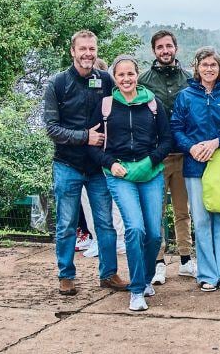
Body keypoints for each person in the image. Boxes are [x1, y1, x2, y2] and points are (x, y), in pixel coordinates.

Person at [43, 29, 127, 296]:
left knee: (105, 223)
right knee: (67, 223)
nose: (88, 54)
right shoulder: (57, 83)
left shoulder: (105, 80)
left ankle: (109, 274)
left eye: (92, 49)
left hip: (98, 166)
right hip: (67, 164)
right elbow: (51, 128)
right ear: (73, 51)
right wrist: (85, 137)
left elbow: (121, 110)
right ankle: (66, 275)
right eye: (83, 49)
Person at [87, 55, 173, 311]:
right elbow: (93, 144)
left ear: (138, 75)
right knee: (135, 229)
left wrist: (152, 160)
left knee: (155, 234)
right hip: (120, 173)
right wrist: (111, 163)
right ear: (115, 77)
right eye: (121, 75)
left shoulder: (153, 104)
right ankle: (137, 290)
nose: (126, 79)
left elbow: (167, 140)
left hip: (151, 172)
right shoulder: (105, 106)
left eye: (130, 74)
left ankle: (146, 278)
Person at [170, 46, 220, 292]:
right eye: (204, 65)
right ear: (197, 68)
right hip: (194, 166)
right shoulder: (185, 97)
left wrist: (217, 142)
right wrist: (191, 148)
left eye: (213, 65)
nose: (209, 69)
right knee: (202, 220)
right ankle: (206, 274)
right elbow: (176, 129)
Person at [139, 30, 197, 283]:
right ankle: (159, 261)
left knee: (183, 211)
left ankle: (186, 258)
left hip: (184, 155)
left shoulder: (189, 79)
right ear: (154, 51)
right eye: (160, 47)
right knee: (156, 211)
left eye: (169, 46)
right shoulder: (144, 80)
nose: (165, 51)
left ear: (176, 48)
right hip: (157, 156)